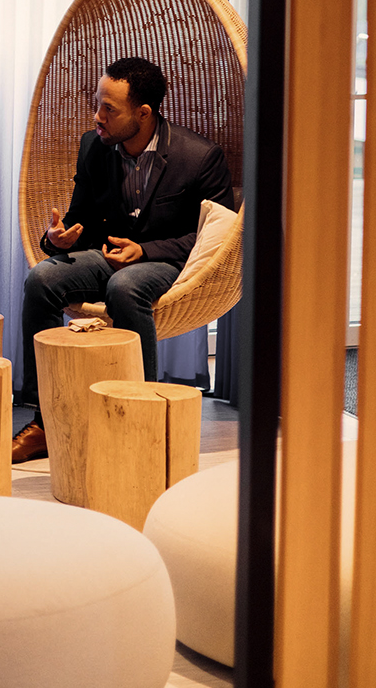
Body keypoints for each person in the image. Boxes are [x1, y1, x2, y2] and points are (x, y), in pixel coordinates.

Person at [12, 56, 233, 464]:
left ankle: (141, 416)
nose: (97, 116)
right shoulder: (95, 146)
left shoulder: (200, 158)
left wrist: (145, 251)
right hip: (107, 255)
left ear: (143, 113)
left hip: (166, 262)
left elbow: (216, 239)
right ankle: (45, 421)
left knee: (125, 285)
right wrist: (58, 239)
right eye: (97, 103)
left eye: (108, 109)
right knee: (42, 279)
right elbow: (79, 217)